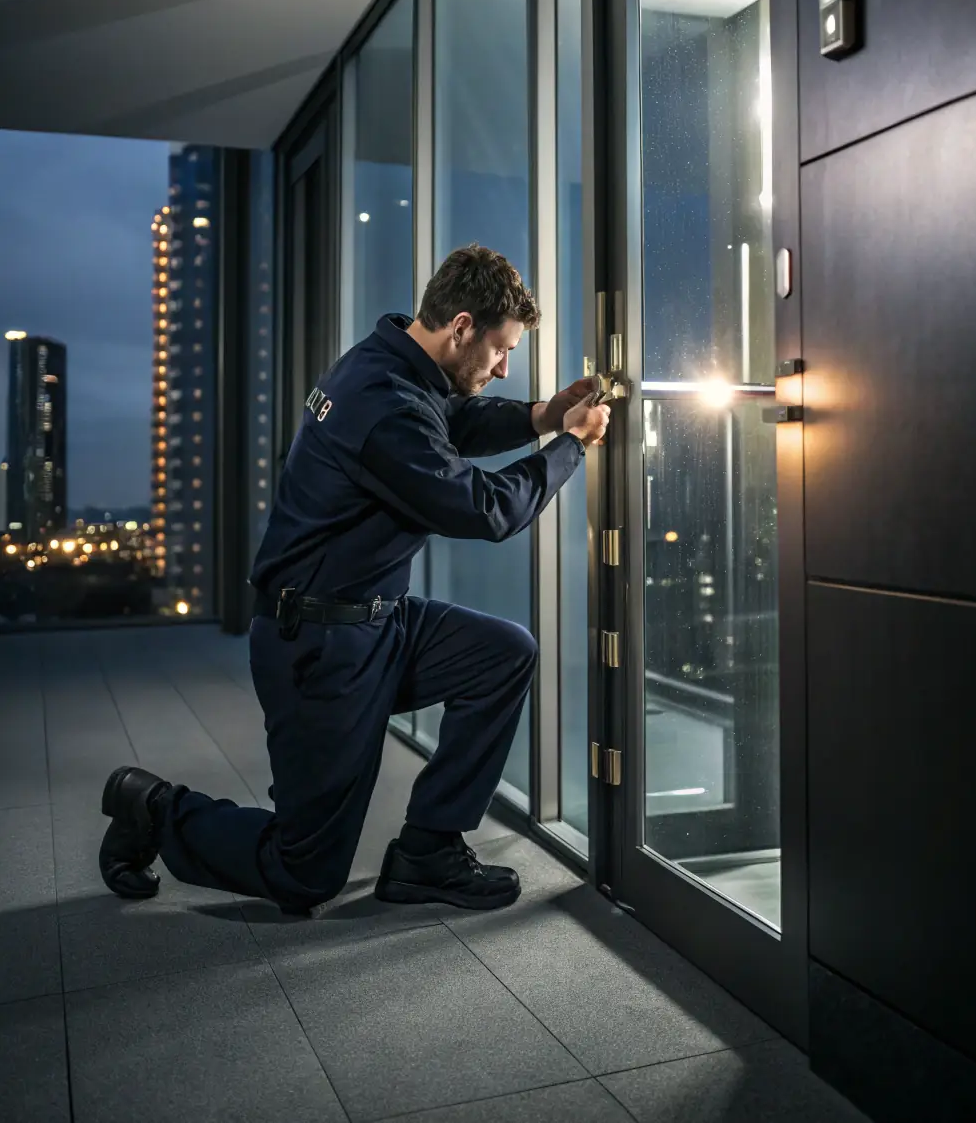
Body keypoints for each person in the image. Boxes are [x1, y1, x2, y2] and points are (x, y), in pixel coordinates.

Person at [98, 244, 609, 916]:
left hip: (376, 620)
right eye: (500, 350)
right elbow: (482, 508)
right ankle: (154, 807)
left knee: (502, 652)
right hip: (316, 642)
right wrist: (569, 445)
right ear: (460, 325)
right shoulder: (380, 402)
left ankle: (429, 852)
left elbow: (453, 422)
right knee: (303, 872)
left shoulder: (398, 368)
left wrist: (541, 415)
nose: (504, 366)